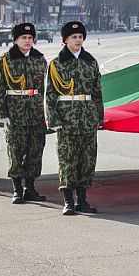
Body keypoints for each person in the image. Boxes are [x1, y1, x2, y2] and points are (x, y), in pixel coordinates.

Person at [45, 21, 104, 215]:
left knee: (87, 160)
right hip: (66, 119)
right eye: (74, 37)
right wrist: (53, 119)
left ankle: (82, 200)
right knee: (67, 160)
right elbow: (50, 94)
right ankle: (68, 201)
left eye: (80, 37)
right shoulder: (56, 64)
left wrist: (99, 117)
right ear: (65, 40)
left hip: (87, 117)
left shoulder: (91, 62)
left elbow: (97, 93)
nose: (78, 40)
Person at [0, 23, 48, 204]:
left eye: (30, 38)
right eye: (23, 38)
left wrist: (46, 111)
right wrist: (1, 113)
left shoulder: (39, 59)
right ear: (15, 40)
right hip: (14, 111)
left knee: (35, 151)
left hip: (36, 110)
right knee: (15, 151)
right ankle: (17, 189)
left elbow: (46, 88)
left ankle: (30, 188)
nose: (27, 41)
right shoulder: (5, 60)